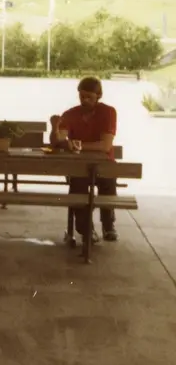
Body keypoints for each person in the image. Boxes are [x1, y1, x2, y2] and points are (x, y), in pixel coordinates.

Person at [53, 77, 118, 244]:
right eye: (82, 96)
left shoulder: (108, 112)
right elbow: (58, 141)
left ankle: (108, 225)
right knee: (78, 189)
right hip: (79, 165)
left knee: (108, 183)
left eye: (89, 97)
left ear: (98, 96)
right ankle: (86, 231)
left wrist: (77, 145)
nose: (85, 100)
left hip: (104, 164)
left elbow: (105, 145)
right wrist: (55, 127)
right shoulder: (71, 114)